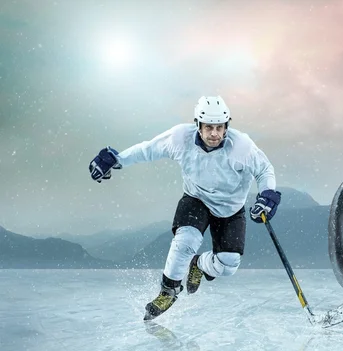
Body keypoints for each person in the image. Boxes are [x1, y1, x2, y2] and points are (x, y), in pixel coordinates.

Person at [88, 96, 281, 320]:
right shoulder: (180, 138)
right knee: (186, 240)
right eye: (209, 127)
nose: (214, 134)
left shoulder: (242, 147)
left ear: (227, 126)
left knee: (228, 266)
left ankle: (198, 264)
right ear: (197, 125)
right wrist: (117, 160)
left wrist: (267, 195)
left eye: (220, 127)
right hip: (196, 199)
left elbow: (264, 170)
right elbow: (148, 150)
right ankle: (168, 291)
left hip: (231, 209)